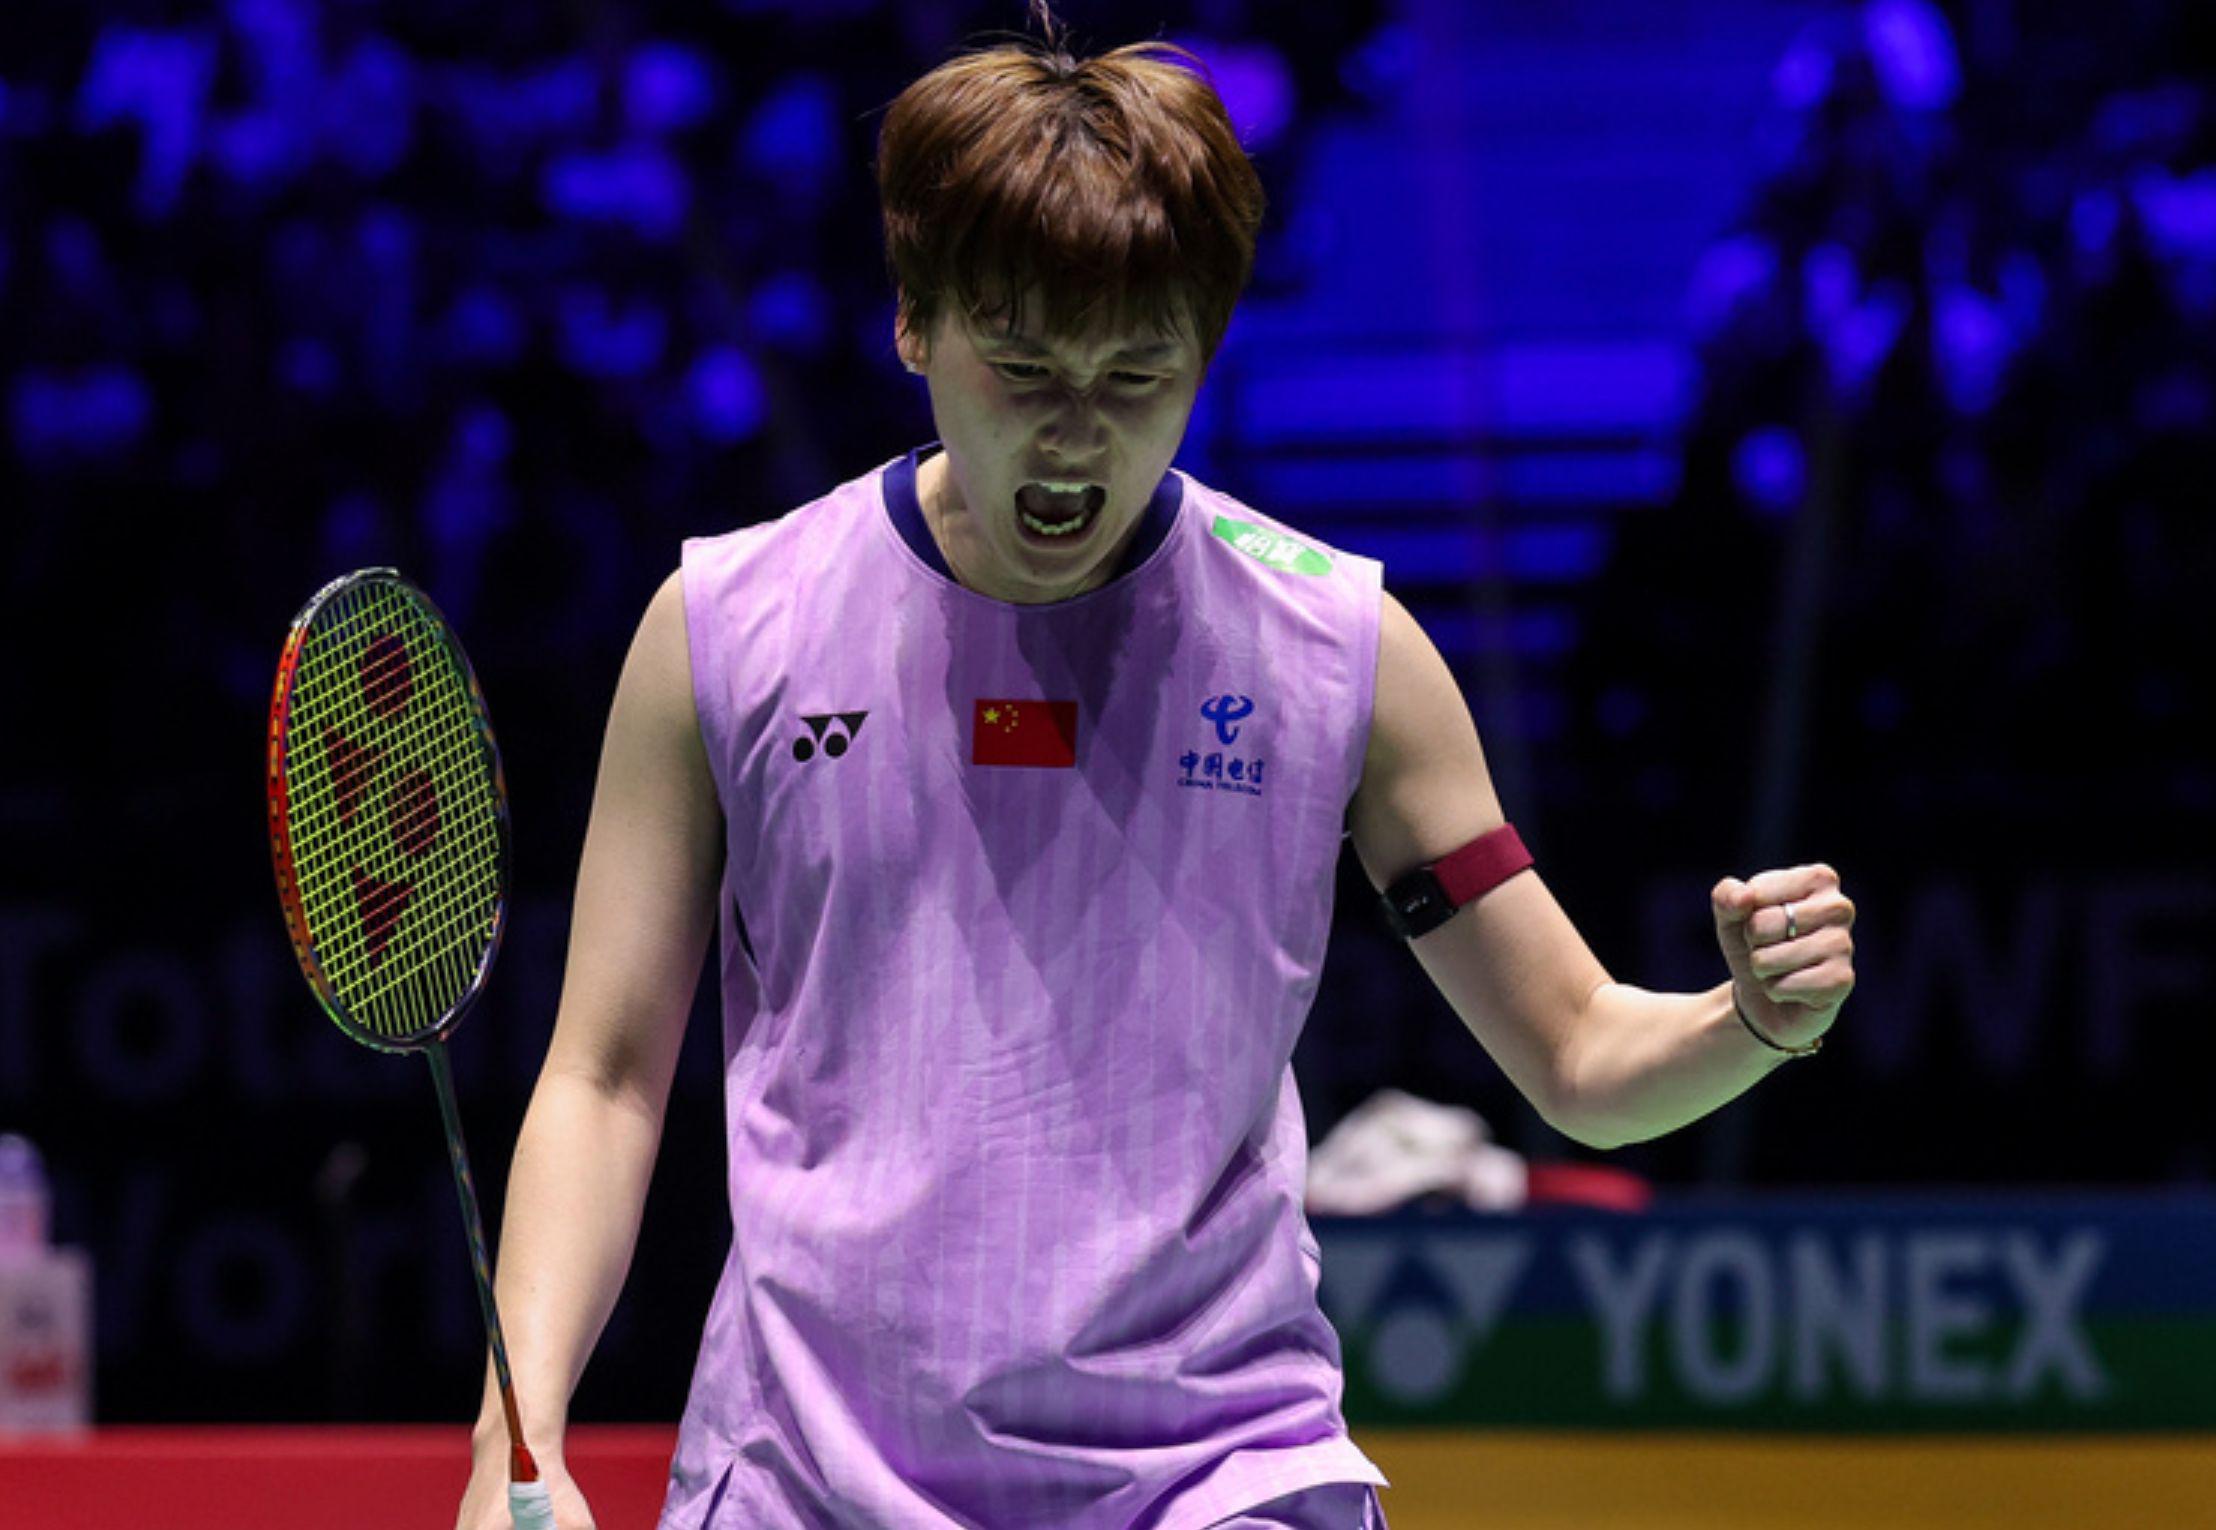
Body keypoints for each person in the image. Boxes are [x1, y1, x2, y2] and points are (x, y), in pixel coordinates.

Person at [455, 12, 1858, 1529]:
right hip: (806, 1477)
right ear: (914, 323)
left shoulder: (1337, 651)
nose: (1075, 437)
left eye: (1136, 375)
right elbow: (603, 1080)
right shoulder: (728, 630)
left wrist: (1747, 1020)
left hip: (1213, 1478)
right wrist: (510, 1443)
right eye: (1023, 368)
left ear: (1206, 353)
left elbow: (1578, 1053)